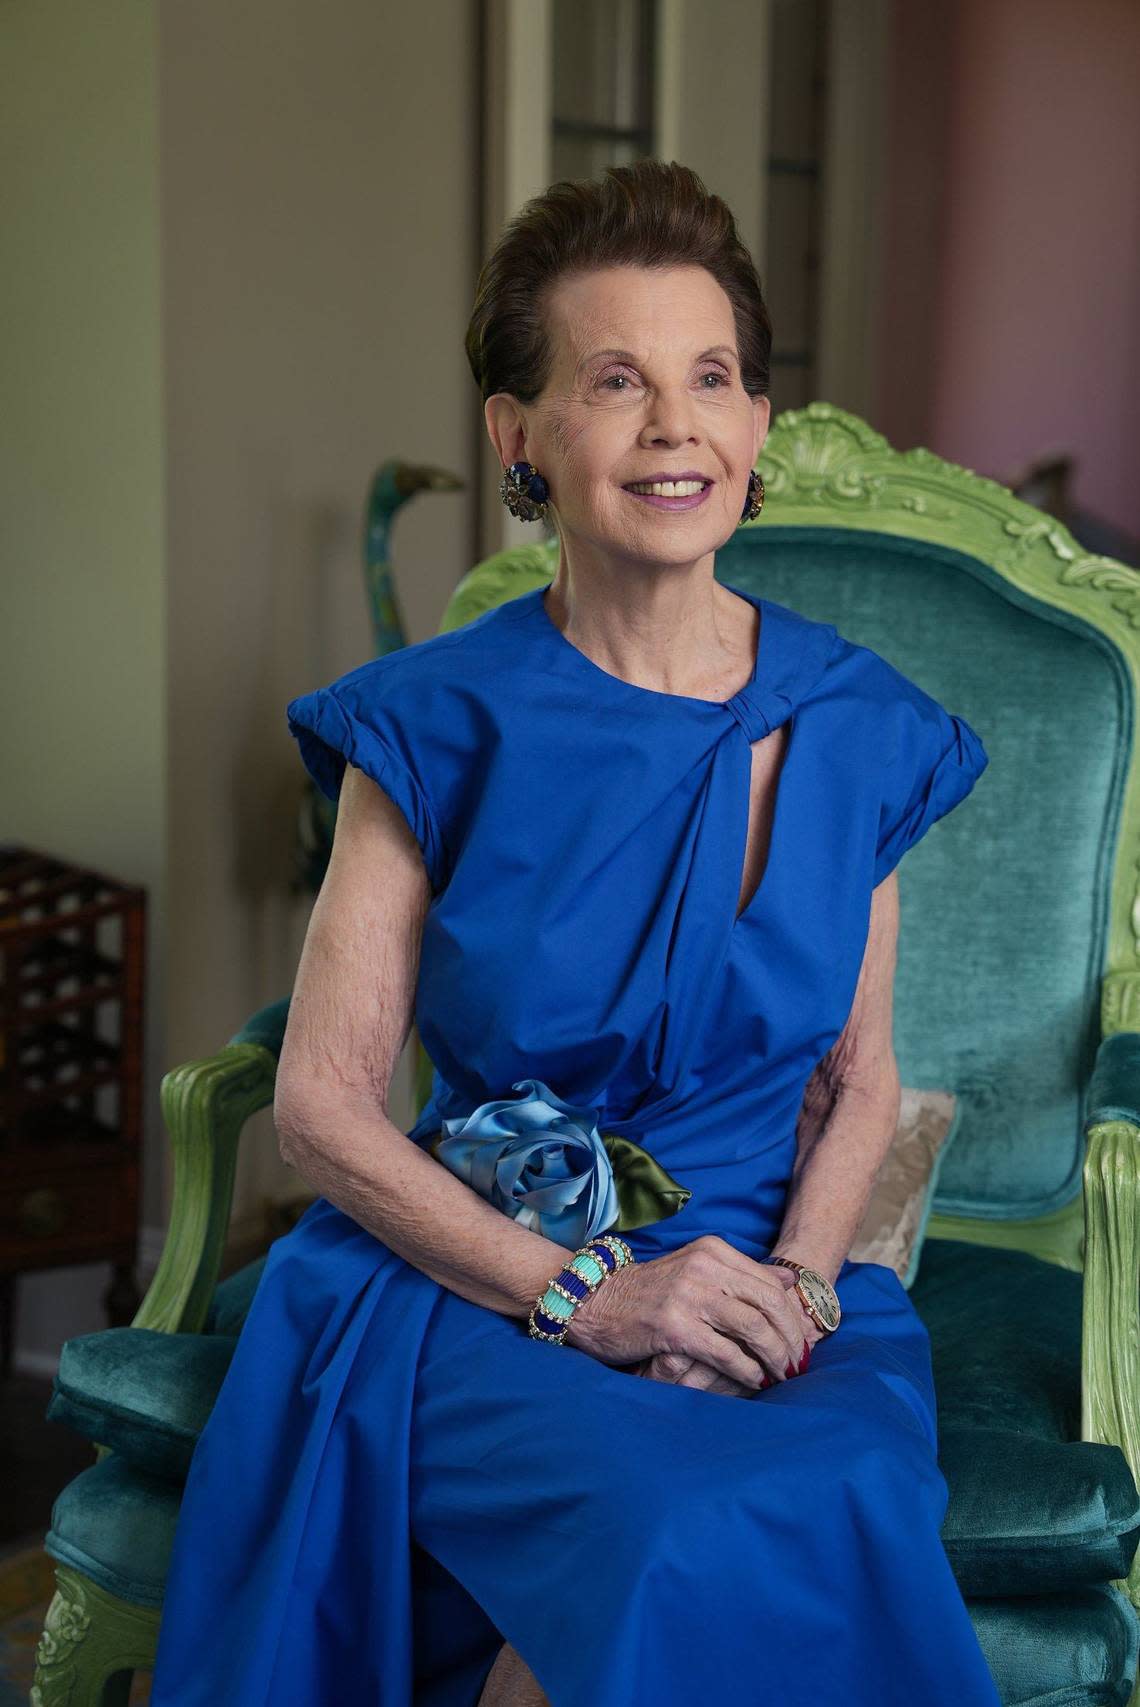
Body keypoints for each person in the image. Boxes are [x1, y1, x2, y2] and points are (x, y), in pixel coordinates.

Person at [149, 158, 1000, 1706]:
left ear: (754, 428)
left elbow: (861, 1080)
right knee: (667, 1529)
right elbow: (323, 1107)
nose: (677, 423)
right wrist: (592, 1298)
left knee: (816, 1499)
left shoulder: (862, 723)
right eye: (616, 381)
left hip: (777, 1287)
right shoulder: (430, 724)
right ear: (520, 437)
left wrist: (795, 1296)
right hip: (480, 1286)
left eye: (714, 378)